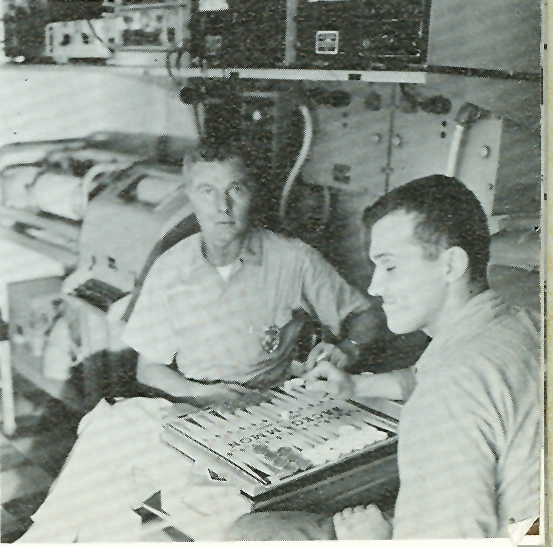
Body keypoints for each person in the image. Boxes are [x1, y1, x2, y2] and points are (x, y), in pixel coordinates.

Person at [16, 142, 386, 542]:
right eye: (208, 191)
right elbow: (150, 369)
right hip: (192, 406)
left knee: (198, 500)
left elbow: (365, 316)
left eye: (235, 189)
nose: (222, 206)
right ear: (189, 195)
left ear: (253, 192)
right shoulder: (171, 268)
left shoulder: (293, 259)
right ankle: (44, 539)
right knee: (111, 425)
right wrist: (201, 394)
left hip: (268, 409)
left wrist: (347, 348)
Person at [226, 174, 541, 540]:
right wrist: (355, 385)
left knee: (249, 533)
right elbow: (432, 377)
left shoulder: (448, 394)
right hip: (529, 526)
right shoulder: (523, 324)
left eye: (390, 266)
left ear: (451, 265)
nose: (376, 287)